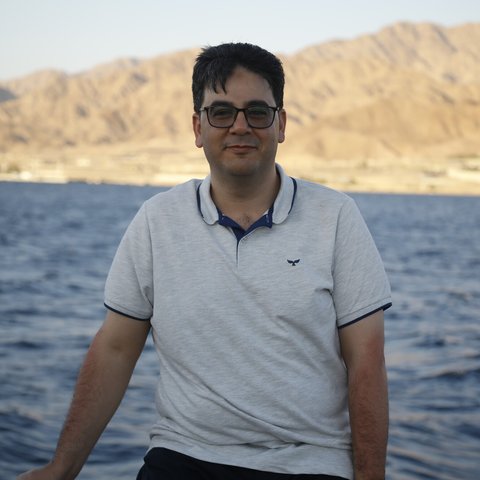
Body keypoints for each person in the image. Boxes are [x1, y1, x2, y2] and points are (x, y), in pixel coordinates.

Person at [18, 42, 392, 480]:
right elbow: (116, 348)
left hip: (307, 462)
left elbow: (366, 360)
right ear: (197, 127)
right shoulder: (157, 220)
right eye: (220, 112)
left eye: (257, 111)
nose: (239, 126)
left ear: (281, 124)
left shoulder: (336, 217)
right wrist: (61, 468)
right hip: (182, 457)